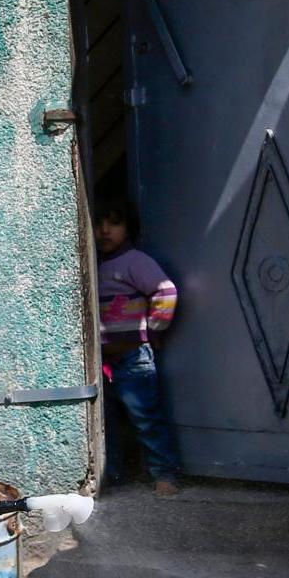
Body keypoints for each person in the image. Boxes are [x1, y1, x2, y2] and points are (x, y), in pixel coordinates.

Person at [94, 198, 180, 494]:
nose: (105, 230)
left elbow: (166, 292)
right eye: (98, 224)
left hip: (133, 357)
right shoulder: (94, 263)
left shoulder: (134, 262)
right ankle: (114, 476)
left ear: (128, 229)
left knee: (147, 419)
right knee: (108, 426)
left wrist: (154, 329)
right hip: (103, 361)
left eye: (114, 224)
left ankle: (164, 474)